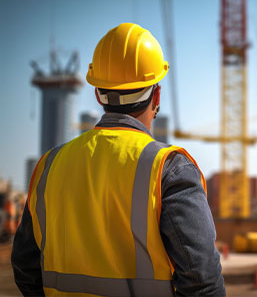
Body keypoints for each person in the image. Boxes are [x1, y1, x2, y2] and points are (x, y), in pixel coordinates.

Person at [11, 23, 225, 297]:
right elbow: (202, 282)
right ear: (156, 96)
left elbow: (25, 266)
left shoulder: (48, 167)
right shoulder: (168, 168)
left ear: (98, 94)